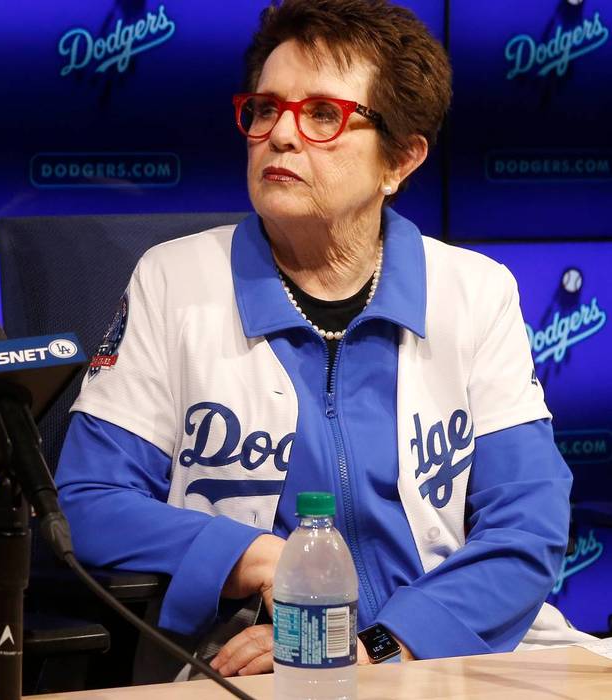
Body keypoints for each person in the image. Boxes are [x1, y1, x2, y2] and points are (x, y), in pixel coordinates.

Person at [56, 0, 593, 680]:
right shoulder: (174, 282)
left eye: (321, 115)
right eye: (264, 109)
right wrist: (257, 558)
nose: (280, 135)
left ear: (399, 159)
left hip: (449, 654)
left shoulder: (474, 292)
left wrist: (385, 644)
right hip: (259, 659)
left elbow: (526, 528)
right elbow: (85, 503)